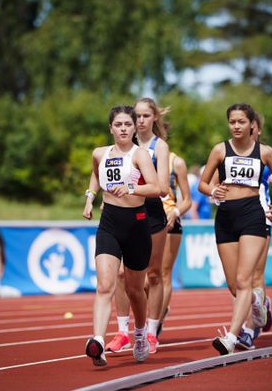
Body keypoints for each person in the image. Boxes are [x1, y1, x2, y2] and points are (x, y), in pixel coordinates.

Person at [198, 103, 272, 355]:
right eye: (232, 122)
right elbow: (203, 184)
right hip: (225, 216)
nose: (236, 126)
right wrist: (213, 190)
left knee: (243, 279)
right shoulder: (220, 150)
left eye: (241, 121)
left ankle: (231, 337)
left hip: (252, 214)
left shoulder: (264, 152)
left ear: (252, 125)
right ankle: (257, 305)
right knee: (232, 284)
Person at [82, 105, 160, 366]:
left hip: (136, 224)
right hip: (109, 223)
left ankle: (139, 335)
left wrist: (130, 188)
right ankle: (98, 342)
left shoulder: (140, 155)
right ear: (111, 128)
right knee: (105, 285)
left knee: (135, 289)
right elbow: (96, 175)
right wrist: (90, 198)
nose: (124, 128)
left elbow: (156, 187)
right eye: (119, 125)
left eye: (128, 124)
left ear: (134, 128)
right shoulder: (99, 153)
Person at [106, 97, 170, 355]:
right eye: (137, 116)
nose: (140, 120)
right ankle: (122, 331)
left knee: (153, 275)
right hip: (124, 214)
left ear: (154, 118)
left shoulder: (159, 147)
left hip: (152, 214)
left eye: (145, 116)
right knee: (121, 275)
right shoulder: (123, 146)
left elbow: (163, 188)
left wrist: (132, 188)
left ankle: (151, 332)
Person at [158, 151, 192, 335]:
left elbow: (187, 201)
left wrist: (176, 212)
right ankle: (159, 310)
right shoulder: (136, 155)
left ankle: (156, 323)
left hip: (169, 223)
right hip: (142, 222)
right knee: (144, 279)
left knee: (163, 274)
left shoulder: (176, 162)